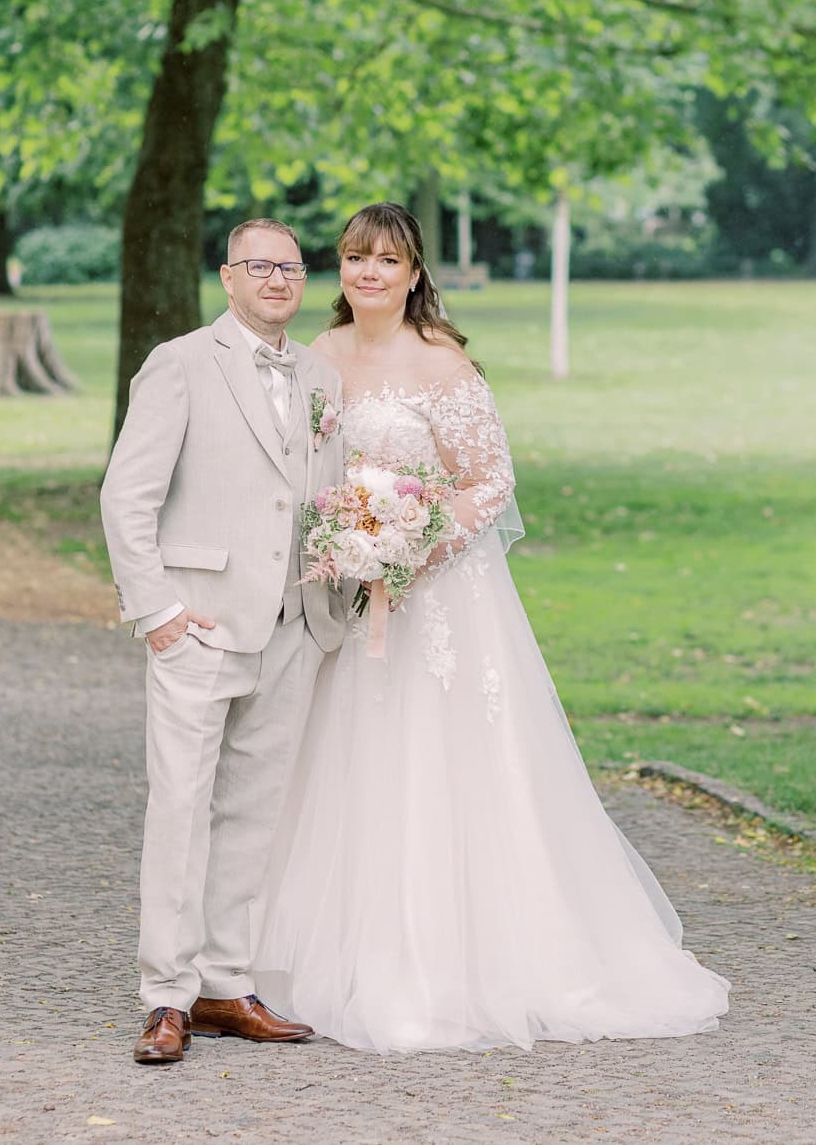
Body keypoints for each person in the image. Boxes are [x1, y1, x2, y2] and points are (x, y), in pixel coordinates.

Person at [254, 202, 729, 1054]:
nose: (368, 273)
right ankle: (334, 954)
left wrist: (409, 542)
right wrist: (346, 542)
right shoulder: (318, 358)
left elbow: (490, 479)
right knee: (344, 764)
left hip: (438, 598)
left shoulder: (441, 361)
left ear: (413, 273)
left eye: (387, 261)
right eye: (355, 257)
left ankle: (456, 965)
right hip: (351, 599)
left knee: (442, 764)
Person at [100, 219, 346, 1066]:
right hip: (198, 624)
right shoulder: (180, 362)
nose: (277, 279)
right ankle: (164, 996)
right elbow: (125, 495)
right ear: (227, 275)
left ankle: (224, 983)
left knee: (253, 811)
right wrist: (157, 608)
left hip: (294, 625)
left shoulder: (319, 373)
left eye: (291, 266)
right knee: (180, 807)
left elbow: (319, 494)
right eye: (259, 266)